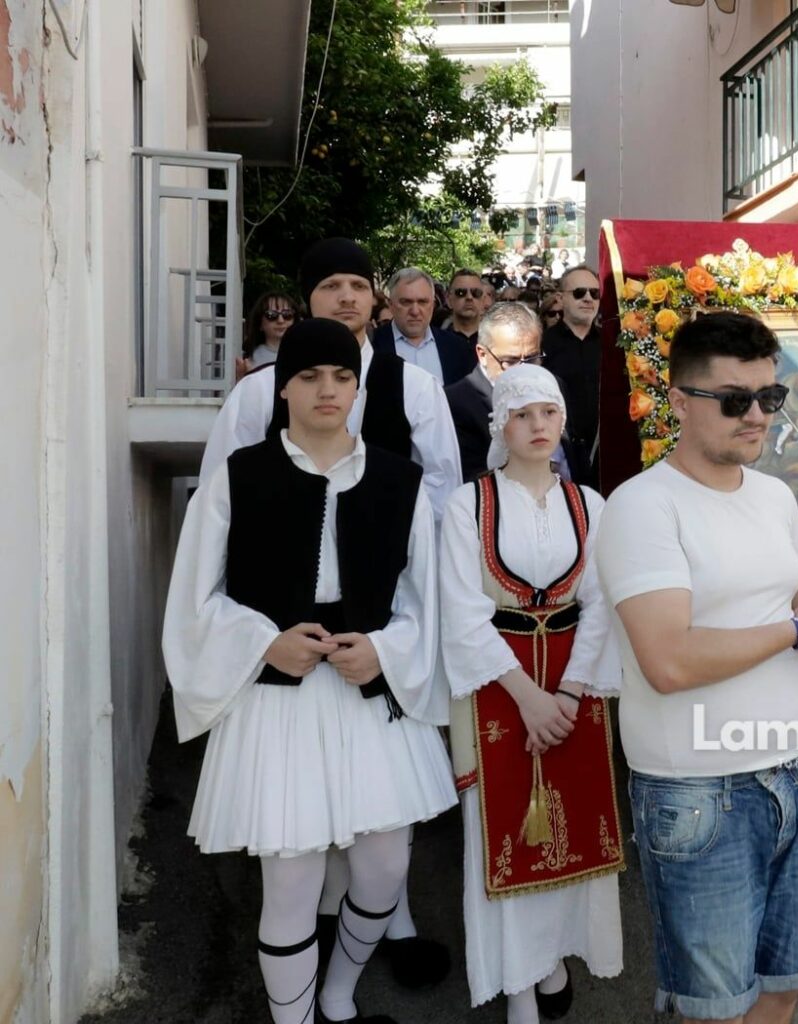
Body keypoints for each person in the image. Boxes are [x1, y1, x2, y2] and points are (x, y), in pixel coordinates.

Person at [162, 318, 455, 1024]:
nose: (328, 389)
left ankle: (338, 997)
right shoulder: (237, 478)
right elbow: (193, 599)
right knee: (291, 882)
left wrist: (384, 649)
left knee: (384, 870)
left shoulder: (401, 482)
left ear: (358, 389)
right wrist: (264, 642)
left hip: (368, 697)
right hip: (277, 704)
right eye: (310, 376)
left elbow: (425, 600)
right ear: (282, 388)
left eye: (342, 376)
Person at [598, 312, 798, 1022]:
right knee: (714, 1007)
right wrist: (797, 632)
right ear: (679, 400)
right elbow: (668, 660)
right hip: (699, 788)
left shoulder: (774, 494)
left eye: (769, 396)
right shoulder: (641, 507)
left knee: (787, 981)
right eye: (734, 400)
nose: (757, 415)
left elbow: (797, 582)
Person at [439, 364, 624, 1024]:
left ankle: (552, 960)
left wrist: (568, 693)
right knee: (504, 836)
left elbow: (601, 604)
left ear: (563, 421)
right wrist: (530, 698)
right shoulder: (467, 505)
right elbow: (462, 613)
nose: (537, 425)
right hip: (498, 687)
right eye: (522, 415)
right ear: (501, 426)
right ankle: (518, 982)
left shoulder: (591, 505)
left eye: (548, 412)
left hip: (575, 685)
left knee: (573, 827)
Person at [199, 238, 462, 521]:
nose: (347, 297)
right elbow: (219, 493)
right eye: (331, 286)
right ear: (308, 296)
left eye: (358, 286)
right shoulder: (260, 389)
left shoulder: (416, 387)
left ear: (373, 298)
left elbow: (442, 488)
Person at [444, 301, 579, 483]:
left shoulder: (554, 386)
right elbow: (473, 480)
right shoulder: (455, 403)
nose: (522, 370)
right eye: (511, 361)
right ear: (482, 354)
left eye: (532, 358)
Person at [541, 266, 601, 485]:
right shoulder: (543, 344)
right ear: (560, 298)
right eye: (579, 292)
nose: (588, 299)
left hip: (601, 455)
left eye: (594, 293)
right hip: (557, 455)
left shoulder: (611, 345)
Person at [375, 267, 476, 386]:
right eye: (406, 302)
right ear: (391, 305)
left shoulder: (457, 348)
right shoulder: (372, 345)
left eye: (422, 302)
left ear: (433, 305)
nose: (415, 311)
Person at [239, 291, 301, 378]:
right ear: (260, 323)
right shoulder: (248, 359)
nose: (281, 321)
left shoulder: (305, 354)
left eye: (287, 314)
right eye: (271, 315)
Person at [445, 268, 489, 347]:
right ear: (449, 300)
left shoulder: (495, 341)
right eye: (461, 292)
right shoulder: (436, 342)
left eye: (476, 293)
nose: (469, 297)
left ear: (483, 300)